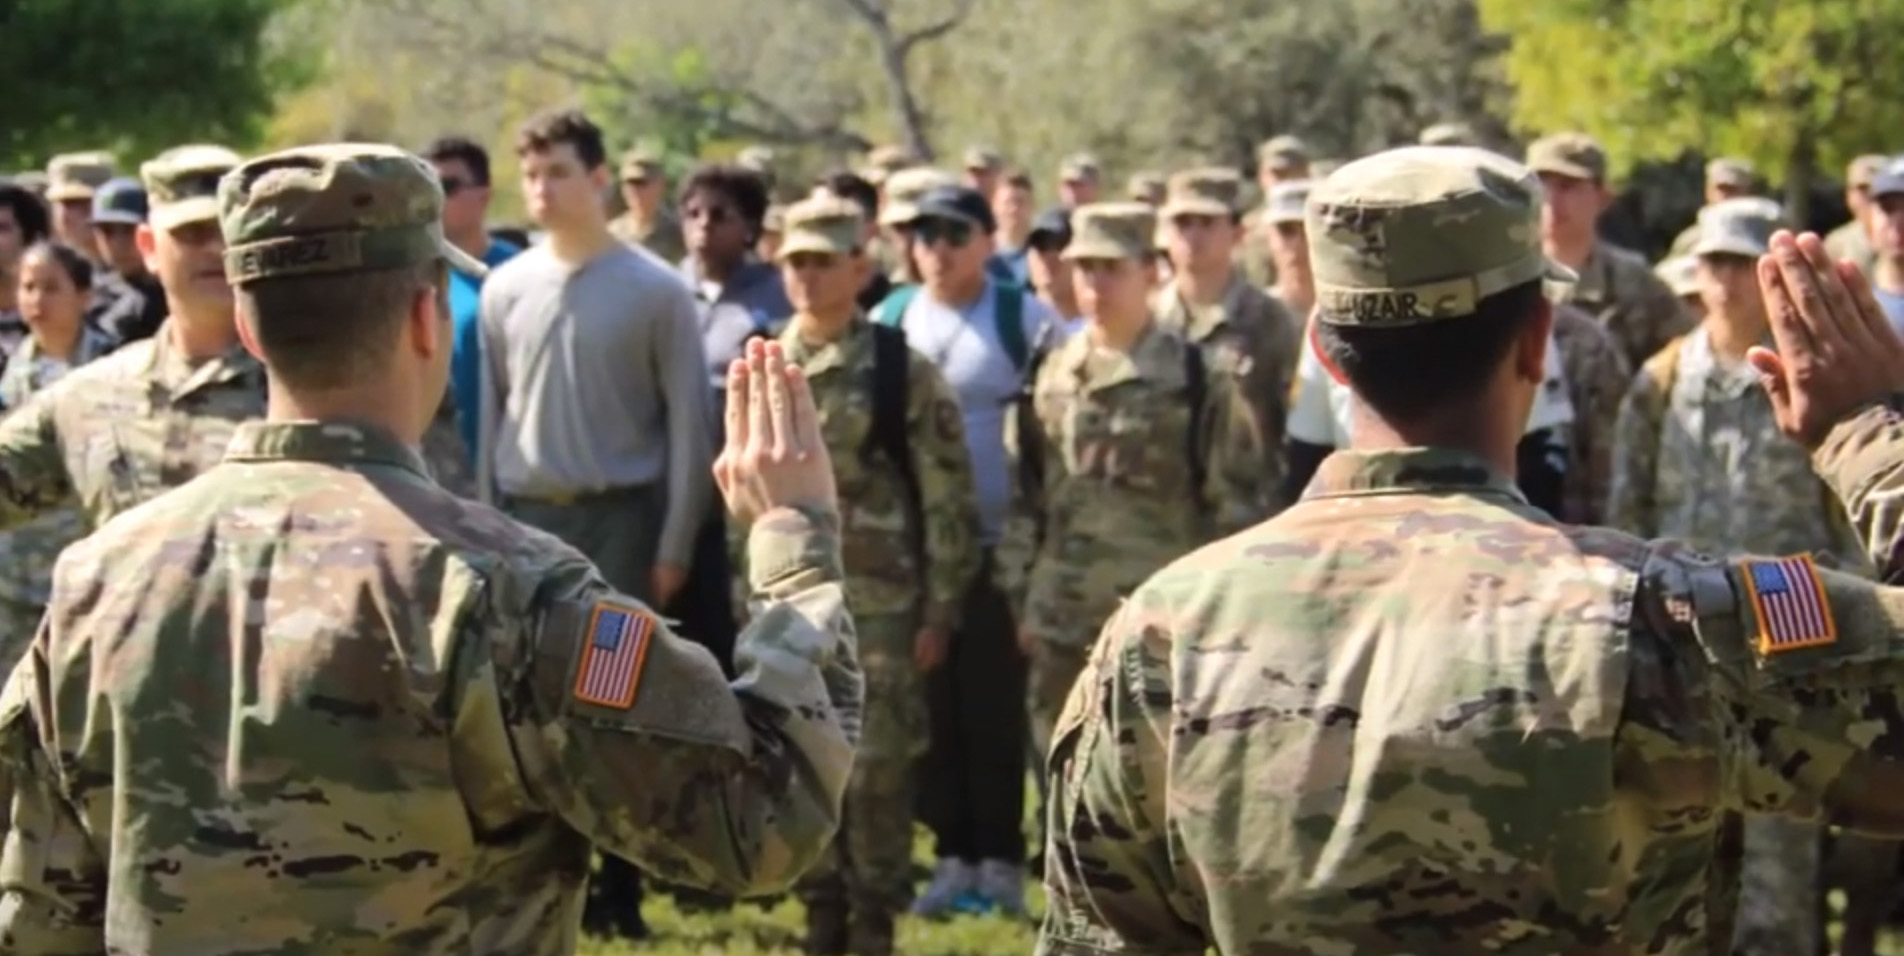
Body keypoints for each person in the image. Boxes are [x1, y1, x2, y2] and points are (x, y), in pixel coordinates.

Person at [1035, 143, 1904, 954]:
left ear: (1327, 357)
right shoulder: (1651, 618)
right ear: (1536, 340)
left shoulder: (1160, 639)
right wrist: (1870, 439)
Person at [0, 142, 864, 955]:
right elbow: (760, 823)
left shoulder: (94, 585)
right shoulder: (509, 594)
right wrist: (793, 541)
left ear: (253, 332)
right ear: (426, 317)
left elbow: (42, 915)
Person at [749, 195, 979, 956]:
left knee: (877, 772)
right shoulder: (764, 368)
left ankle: (873, 919)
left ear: (859, 265)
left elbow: (947, 493)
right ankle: (820, 914)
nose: (808, 277)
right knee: (798, 758)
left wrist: (941, 610)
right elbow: (740, 497)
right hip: (785, 604)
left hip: (879, 605)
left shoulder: (895, 368)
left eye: (824, 260)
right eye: (796, 262)